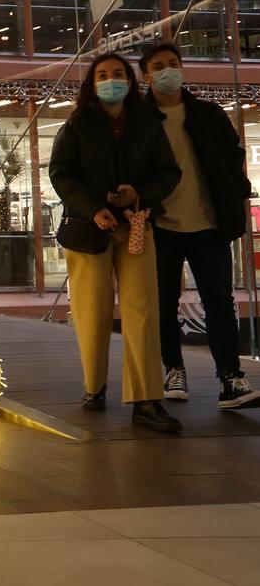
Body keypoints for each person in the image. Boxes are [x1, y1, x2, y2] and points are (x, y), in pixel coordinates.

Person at [49, 51, 183, 433]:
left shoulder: (148, 125)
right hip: (88, 230)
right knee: (92, 311)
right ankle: (94, 388)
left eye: (119, 74)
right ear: (92, 84)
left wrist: (138, 193)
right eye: (103, 75)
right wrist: (93, 208)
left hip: (137, 225)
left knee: (143, 311)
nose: (111, 80)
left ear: (130, 80)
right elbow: (62, 173)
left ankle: (146, 399)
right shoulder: (76, 125)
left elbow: (169, 172)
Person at [140, 42, 260, 408]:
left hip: (208, 223)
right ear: (146, 75)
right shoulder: (138, 120)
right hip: (159, 225)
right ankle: (173, 370)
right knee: (162, 302)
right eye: (159, 66)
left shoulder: (208, 114)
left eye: (173, 63)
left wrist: (237, 190)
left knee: (220, 301)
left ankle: (231, 378)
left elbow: (232, 153)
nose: (167, 70)